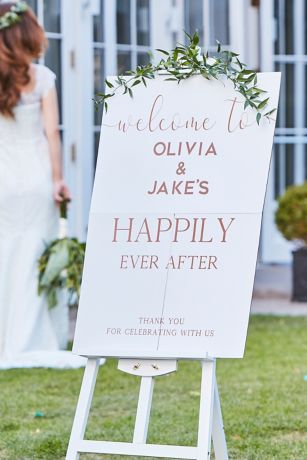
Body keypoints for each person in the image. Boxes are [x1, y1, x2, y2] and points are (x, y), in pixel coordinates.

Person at [0, 1, 85, 368]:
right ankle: (34, 339)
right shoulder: (44, 78)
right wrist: (57, 179)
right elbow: (52, 133)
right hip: (35, 177)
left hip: (4, 176)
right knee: (35, 258)